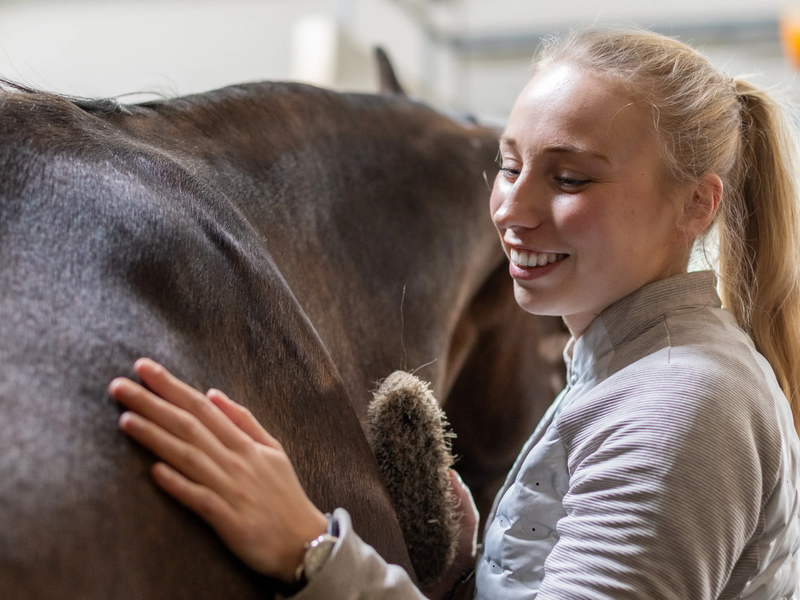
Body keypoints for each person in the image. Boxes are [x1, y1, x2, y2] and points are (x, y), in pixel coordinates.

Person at [109, 26, 800, 599]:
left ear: (695, 206)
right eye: (509, 166)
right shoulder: (627, 364)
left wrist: (311, 549)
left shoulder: (680, 398)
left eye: (569, 178)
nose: (511, 210)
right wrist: (486, 564)